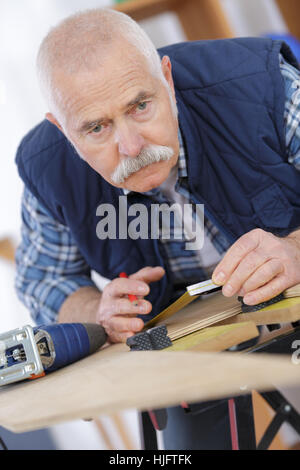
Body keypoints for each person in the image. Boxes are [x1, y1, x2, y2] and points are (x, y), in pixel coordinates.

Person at [14, 8, 300, 449]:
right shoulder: (46, 163)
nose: (131, 146)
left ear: (166, 77)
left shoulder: (262, 86)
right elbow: (44, 278)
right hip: (186, 344)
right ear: (63, 131)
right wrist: (96, 314)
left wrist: (295, 249)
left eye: (140, 105)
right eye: (96, 127)